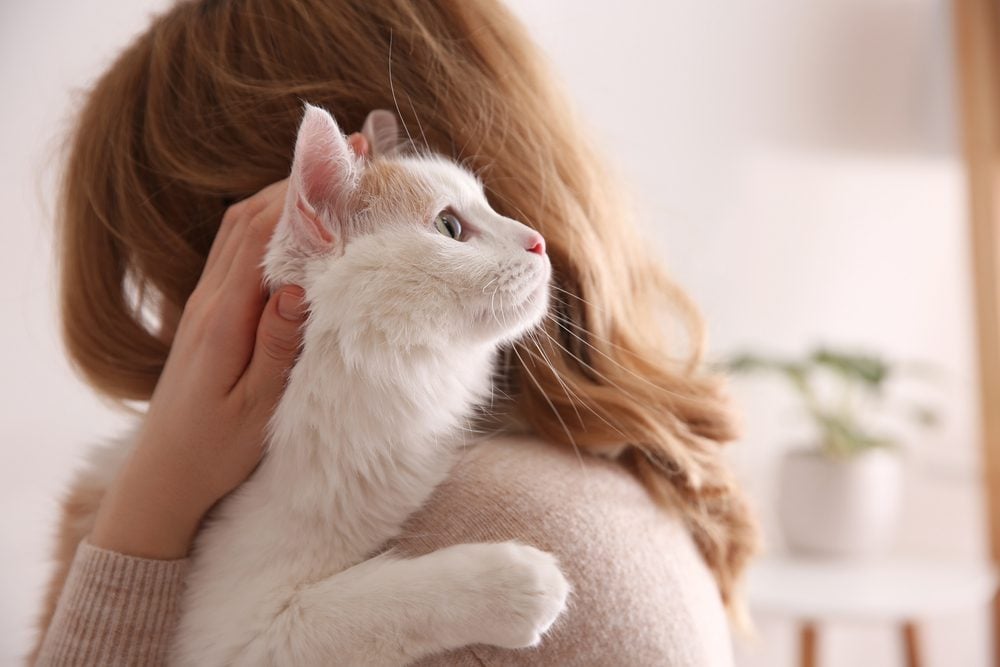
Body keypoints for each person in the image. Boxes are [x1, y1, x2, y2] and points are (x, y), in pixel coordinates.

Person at [32, 0, 758, 664]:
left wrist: (143, 516)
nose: (183, 331)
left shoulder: (487, 522)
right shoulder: (578, 498)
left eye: (178, 274)